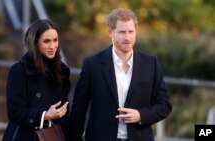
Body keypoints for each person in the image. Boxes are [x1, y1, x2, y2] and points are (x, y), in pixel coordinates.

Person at [69, 8, 172, 141]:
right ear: (110, 32)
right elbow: (79, 108)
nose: (127, 37)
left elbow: (165, 104)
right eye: (122, 32)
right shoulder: (92, 65)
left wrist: (140, 115)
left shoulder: (150, 64)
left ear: (136, 31)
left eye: (131, 32)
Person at [2, 19, 71, 141]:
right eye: (46, 41)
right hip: (25, 136)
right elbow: (14, 112)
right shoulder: (19, 71)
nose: (52, 46)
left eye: (55, 40)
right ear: (35, 43)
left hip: (53, 136)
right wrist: (45, 115)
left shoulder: (61, 71)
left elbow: (64, 114)